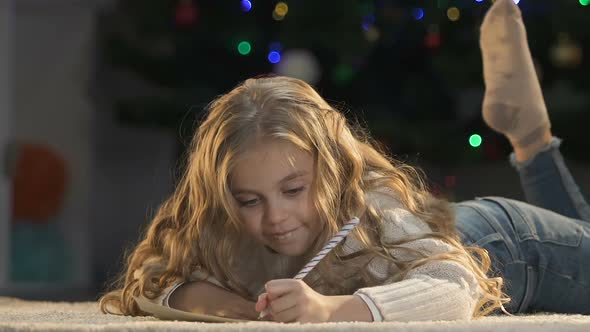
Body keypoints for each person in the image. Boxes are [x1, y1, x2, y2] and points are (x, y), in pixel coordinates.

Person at [99, 0, 590, 322]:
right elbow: (154, 283)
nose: (274, 218)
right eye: (249, 199)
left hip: (508, 247)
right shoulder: (220, 221)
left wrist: (330, 309)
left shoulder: (371, 203)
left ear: (332, 171)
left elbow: (455, 288)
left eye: (294, 190)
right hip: (443, 236)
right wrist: (247, 311)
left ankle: (531, 140)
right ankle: (531, 139)